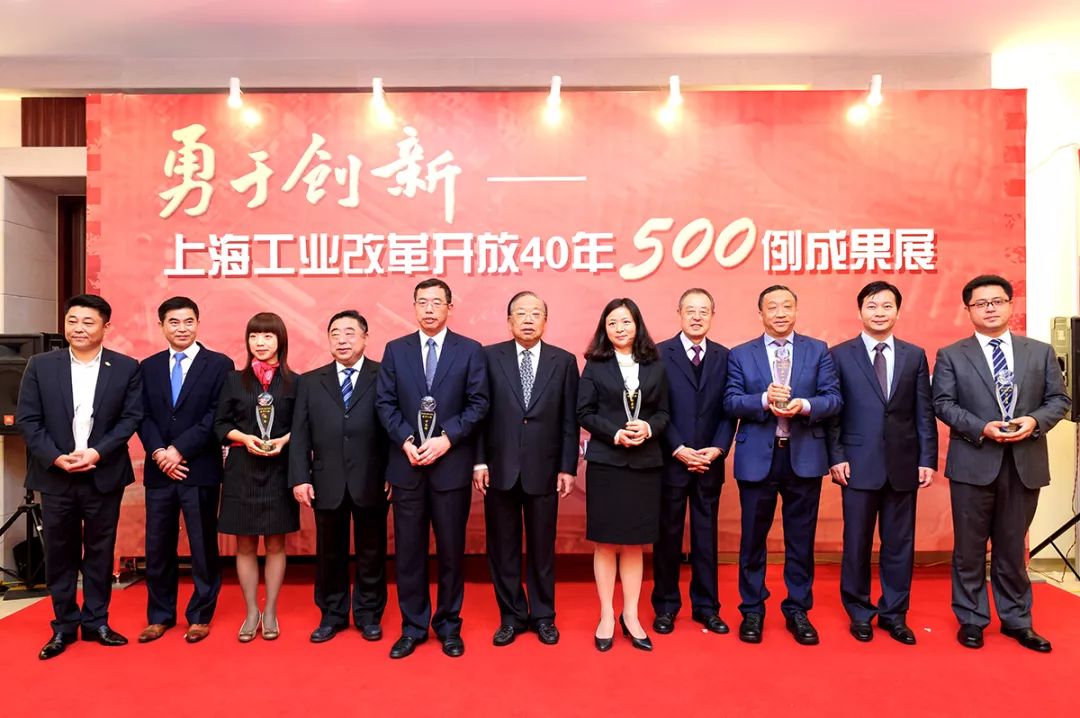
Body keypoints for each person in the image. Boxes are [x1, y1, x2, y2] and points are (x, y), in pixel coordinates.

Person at [932, 274, 1069, 652]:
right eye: (981, 303)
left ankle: (1017, 620)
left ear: (1010, 305)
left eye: (997, 301)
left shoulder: (1038, 352)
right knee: (969, 549)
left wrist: (1034, 421)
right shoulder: (952, 355)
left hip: (1024, 462)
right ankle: (971, 619)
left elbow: (1059, 400)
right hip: (973, 461)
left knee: (1012, 547)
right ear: (968, 310)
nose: (989, 308)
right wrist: (982, 427)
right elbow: (942, 403)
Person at [16, 294, 144, 660]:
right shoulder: (41, 365)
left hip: (103, 474)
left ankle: (96, 622)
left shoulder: (125, 367)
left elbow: (131, 418)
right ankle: (63, 626)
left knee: (100, 552)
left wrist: (97, 452)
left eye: (88, 322)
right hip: (56, 475)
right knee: (60, 553)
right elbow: (28, 419)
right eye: (72, 320)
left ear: (106, 327)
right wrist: (56, 457)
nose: (79, 328)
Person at [375, 278, 489, 659]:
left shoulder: (469, 350)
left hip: (450, 466)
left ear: (449, 308)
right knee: (409, 552)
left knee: (452, 552)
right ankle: (413, 626)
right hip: (407, 465)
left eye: (436, 302)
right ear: (413, 306)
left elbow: (478, 404)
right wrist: (406, 440)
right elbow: (385, 403)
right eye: (422, 302)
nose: (428, 309)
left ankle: (449, 625)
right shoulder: (396, 350)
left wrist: (447, 439)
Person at [723, 285, 841, 646]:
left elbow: (833, 399)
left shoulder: (817, 350)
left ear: (796, 310)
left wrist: (804, 406)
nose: (780, 313)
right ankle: (752, 610)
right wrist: (762, 399)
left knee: (801, 540)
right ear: (760, 313)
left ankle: (798, 610)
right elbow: (730, 402)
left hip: (803, 455)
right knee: (752, 540)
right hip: (758, 458)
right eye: (772, 307)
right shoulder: (740, 354)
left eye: (786, 306)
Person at [826, 282, 936, 645]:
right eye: (872, 306)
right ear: (860, 311)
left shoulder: (914, 355)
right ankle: (859, 612)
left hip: (904, 464)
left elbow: (923, 411)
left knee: (899, 544)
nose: (879, 312)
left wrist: (927, 458)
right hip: (857, 464)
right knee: (856, 543)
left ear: (898, 312)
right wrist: (837, 456)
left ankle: (894, 614)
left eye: (887, 306)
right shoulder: (839, 355)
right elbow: (834, 414)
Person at [473, 291, 579, 647]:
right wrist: (479, 461)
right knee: (503, 548)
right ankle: (511, 616)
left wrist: (567, 467)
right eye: (521, 313)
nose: (528, 319)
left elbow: (569, 420)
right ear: (509, 321)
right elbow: (478, 414)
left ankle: (544, 616)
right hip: (499, 468)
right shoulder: (489, 357)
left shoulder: (563, 361)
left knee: (542, 548)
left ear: (545, 321)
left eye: (535, 313)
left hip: (545, 470)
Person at [137, 296, 233, 644]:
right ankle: (159, 615)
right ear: (161, 325)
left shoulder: (219, 364)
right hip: (159, 470)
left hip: (199, 468)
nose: (182, 328)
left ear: (198, 323)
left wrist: (179, 450)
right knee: (157, 545)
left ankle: (200, 615)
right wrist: (160, 452)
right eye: (174, 322)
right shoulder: (147, 367)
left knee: (202, 544)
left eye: (188, 321)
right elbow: (141, 415)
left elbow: (216, 415)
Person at [290, 310, 390, 643]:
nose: (342, 340)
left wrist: (392, 472)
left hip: (372, 478)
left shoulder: (384, 375)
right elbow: (300, 434)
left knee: (371, 550)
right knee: (329, 552)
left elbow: (393, 427)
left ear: (365, 337)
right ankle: (332, 615)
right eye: (335, 333)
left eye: (349, 333)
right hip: (326, 479)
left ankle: (369, 614)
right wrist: (300, 477)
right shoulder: (310, 381)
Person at [577, 298, 670, 652]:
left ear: (637, 325)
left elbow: (664, 413)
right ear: (605, 328)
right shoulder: (595, 365)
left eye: (626, 322)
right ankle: (606, 615)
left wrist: (648, 428)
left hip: (645, 464)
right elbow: (584, 412)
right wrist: (615, 433)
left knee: (634, 543)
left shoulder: (654, 365)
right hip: (607, 463)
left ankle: (630, 615)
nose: (620, 328)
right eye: (613, 322)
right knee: (605, 542)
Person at [651, 288, 736, 636]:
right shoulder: (658, 354)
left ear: (712, 315)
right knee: (667, 537)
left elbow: (729, 409)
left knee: (706, 539)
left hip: (709, 463)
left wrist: (718, 448)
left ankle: (707, 607)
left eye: (704, 311)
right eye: (691, 310)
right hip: (672, 461)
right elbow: (655, 407)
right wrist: (678, 448)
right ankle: (665, 606)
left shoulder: (726, 356)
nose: (697, 316)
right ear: (679, 313)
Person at [214, 312, 298, 642]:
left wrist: (283, 441)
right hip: (242, 468)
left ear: (280, 340)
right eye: (253, 336)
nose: (259, 343)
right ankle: (251, 611)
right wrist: (245, 438)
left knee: (276, 543)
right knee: (245, 543)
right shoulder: (234, 380)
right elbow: (220, 424)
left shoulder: (295, 382)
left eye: (267, 336)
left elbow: (303, 426)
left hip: (279, 468)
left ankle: (271, 610)